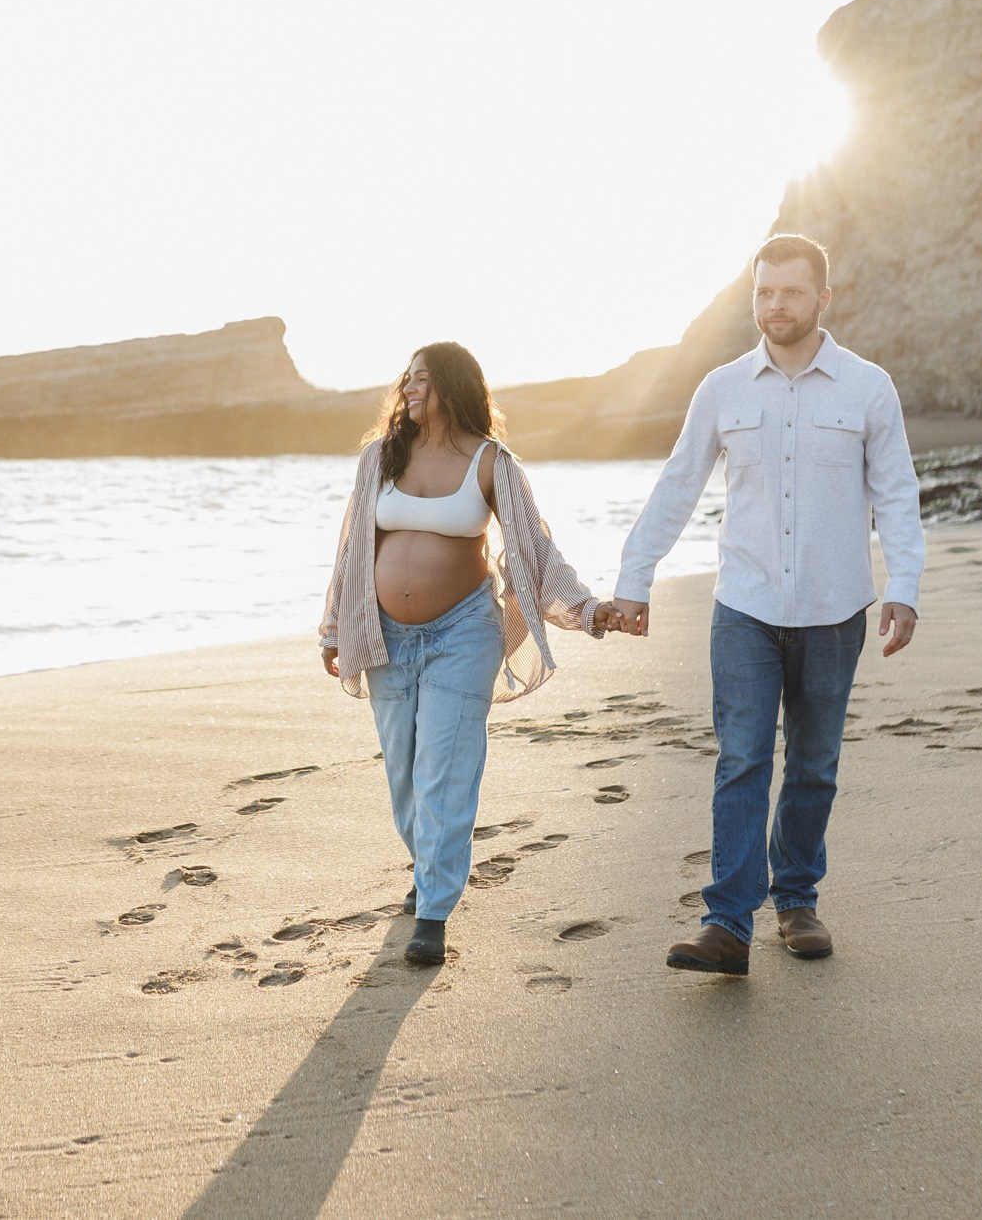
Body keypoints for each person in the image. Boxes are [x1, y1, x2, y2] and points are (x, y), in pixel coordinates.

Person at [600, 234, 924, 977]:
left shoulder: (868, 387)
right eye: (764, 292)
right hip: (744, 604)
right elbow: (678, 484)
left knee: (813, 762)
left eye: (790, 292)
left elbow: (898, 495)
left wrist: (904, 587)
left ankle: (798, 898)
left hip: (835, 607)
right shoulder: (722, 388)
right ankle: (727, 924)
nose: (775, 305)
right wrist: (634, 576)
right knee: (742, 757)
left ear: (823, 299)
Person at [321, 342, 616, 967]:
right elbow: (352, 547)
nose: (410, 390)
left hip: (464, 633)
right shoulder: (382, 457)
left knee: (445, 768)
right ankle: (428, 866)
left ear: (454, 387)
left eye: (423, 379)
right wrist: (331, 629)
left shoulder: (492, 463)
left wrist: (587, 610)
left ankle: (434, 909)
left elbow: (536, 548)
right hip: (386, 638)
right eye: (408, 379)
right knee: (403, 773)